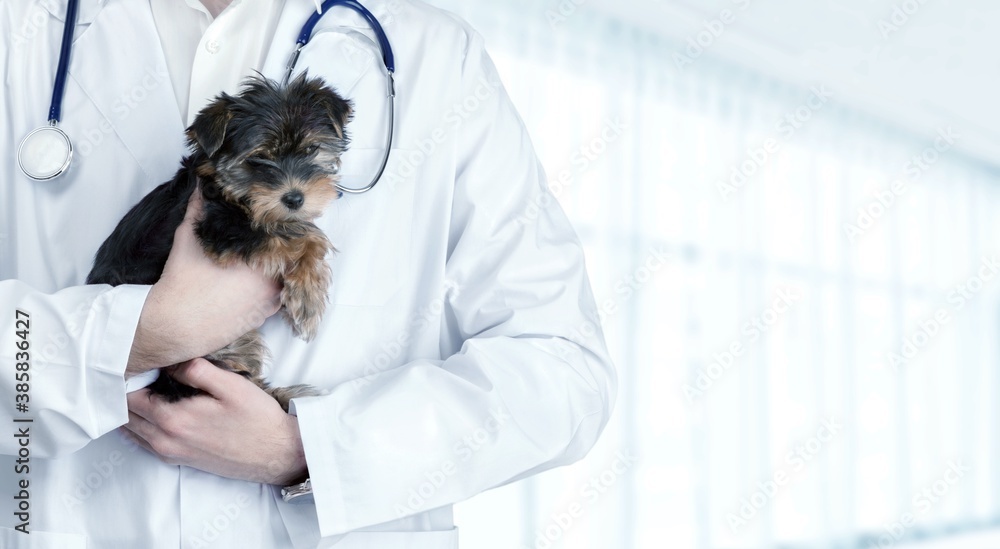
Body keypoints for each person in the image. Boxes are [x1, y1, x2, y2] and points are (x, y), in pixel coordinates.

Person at [0, 0, 617, 547]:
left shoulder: (435, 57)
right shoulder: (17, 32)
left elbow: (561, 372)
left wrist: (310, 452)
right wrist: (141, 336)